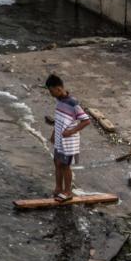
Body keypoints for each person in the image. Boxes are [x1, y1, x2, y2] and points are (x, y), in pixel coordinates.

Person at [45, 73, 92, 202]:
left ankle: (68, 191)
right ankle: (58, 188)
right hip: (60, 140)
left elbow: (86, 121)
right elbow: (60, 120)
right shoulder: (60, 101)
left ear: (59, 88)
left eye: (51, 91)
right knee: (57, 163)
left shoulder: (73, 103)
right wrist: (54, 134)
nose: (51, 94)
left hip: (69, 142)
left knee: (65, 166)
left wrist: (70, 132)